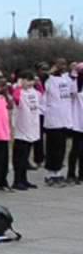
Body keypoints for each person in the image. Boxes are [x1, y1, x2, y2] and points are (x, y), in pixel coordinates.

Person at [42, 59, 76, 187]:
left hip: (65, 120)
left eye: (64, 64)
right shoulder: (49, 79)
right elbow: (43, 81)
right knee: (52, 148)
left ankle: (58, 172)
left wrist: (73, 71)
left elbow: (73, 89)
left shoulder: (67, 79)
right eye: (59, 64)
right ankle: (50, 174)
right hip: (53, 120)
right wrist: (52, 71)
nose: (62, 67)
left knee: (61, 148)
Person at [11, 70, 42, 190]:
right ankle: (17, 180)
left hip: (32, 128)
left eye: (31, 80)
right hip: (21, 130)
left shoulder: (34, 92)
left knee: (26, 158)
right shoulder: (19, 92)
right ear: (21, 80)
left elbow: (41, 92)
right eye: (27, 80)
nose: (30, 83)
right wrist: (19, 85)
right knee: (20, 158)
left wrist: (38, 83)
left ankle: (24, 179)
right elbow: (16, 98)